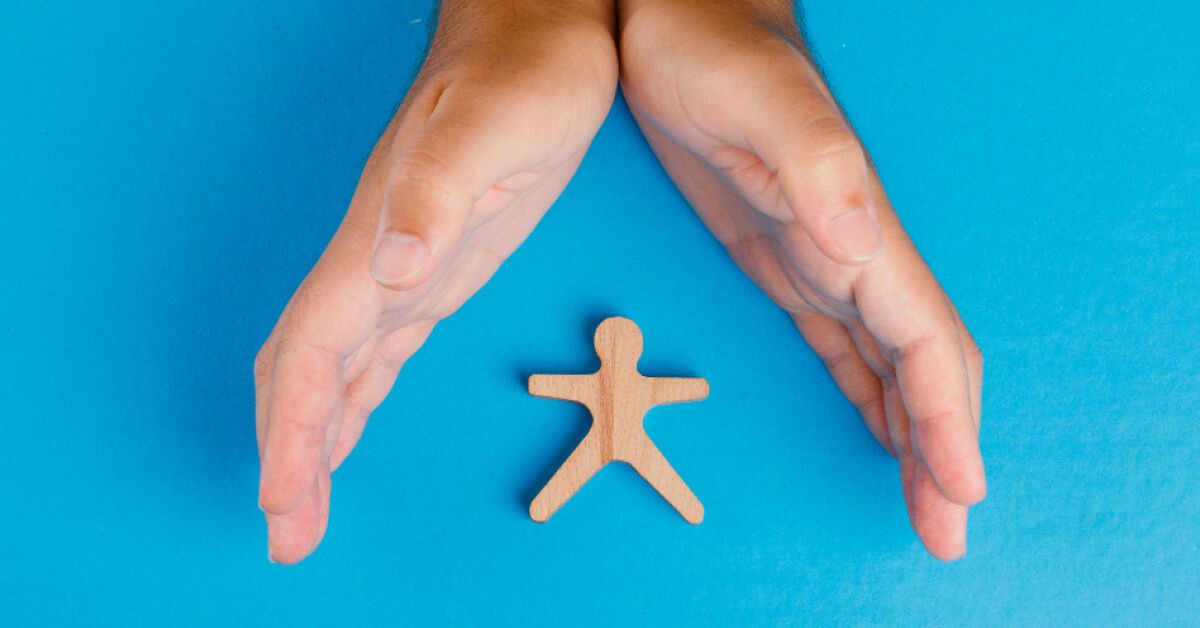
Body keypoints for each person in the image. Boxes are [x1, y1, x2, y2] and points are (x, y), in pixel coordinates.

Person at [253, 0, 986, 565]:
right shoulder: (620, 375)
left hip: (622, 429)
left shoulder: (626, 376)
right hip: (616, 427)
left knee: (640, 475)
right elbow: (590, 388)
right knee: (614, 476)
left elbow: (638, 388)